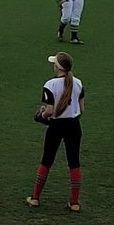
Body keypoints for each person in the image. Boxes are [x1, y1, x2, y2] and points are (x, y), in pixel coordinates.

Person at [26, 51, 85, 212]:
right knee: (74, 162)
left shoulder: (50, 85)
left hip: (56, 127)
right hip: (74, 126)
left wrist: (42, 114)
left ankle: (35, 198)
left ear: (58, 67)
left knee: (47, 160)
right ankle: (74, 202)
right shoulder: (78, 83)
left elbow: (50, 111)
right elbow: (81, 109)